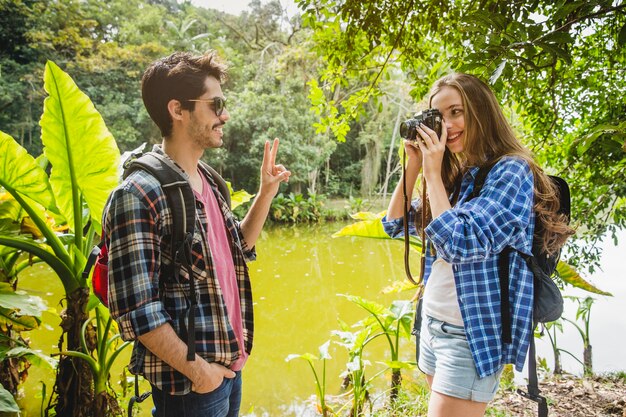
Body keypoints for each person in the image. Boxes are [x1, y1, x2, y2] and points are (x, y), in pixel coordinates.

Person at [104, 51, 290, 417]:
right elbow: (135, 310)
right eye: (216, 104)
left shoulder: (208, 180)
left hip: (229, 366)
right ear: (178, 110)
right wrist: (200, 373)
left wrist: (266, 192)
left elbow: (239, 249)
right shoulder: (139, 194)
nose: (225, 115)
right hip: (191, 386)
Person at [383, 73, 573, 417]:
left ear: (482, 112)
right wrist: (413, 164)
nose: (448, 125)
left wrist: (431, 171)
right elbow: (395, 225)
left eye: (457, 112)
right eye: (439, 117)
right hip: (432, 322)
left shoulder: (512, 172)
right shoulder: (459, 175)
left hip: (469, 334)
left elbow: (460, 242)